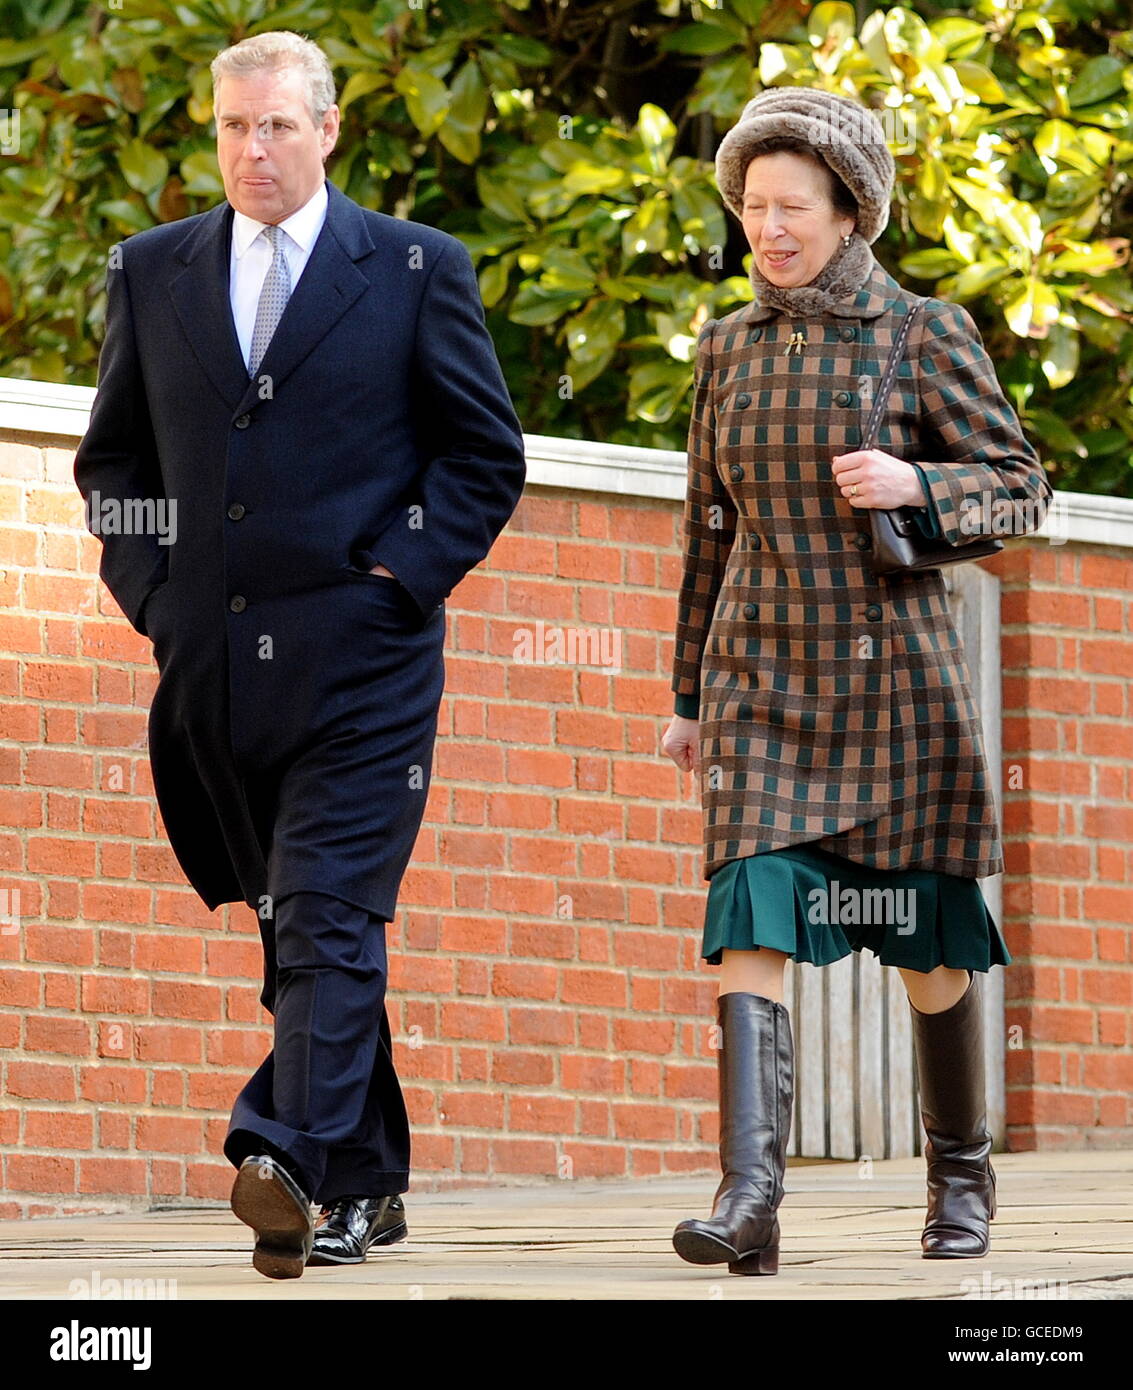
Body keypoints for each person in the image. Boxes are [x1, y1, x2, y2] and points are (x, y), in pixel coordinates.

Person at [74, 31, 526, 1279]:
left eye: (275, 126)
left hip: (366, 661)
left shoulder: (417, 268)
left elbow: (483, 456)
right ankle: (363, 1181)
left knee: (327, 911)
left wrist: (397, 574)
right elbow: (115, 467)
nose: (251, 150)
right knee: (299, 937)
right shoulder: (151, 271)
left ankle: (281, 1156)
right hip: (213, 670)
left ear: (328, 130)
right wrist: (154, 594)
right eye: (231, 127)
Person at [661, 87, 1052, 1276]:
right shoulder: (726, 346)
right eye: (751, 208)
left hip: (897, 692)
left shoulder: (920, 331)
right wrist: (685, 698)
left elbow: (1021, 490)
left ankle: (959, 1175)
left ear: (848, 213)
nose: (766, 230)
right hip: (758, 683)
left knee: (929, 946)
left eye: (791, 207)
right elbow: (705, 530)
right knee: (749, 909)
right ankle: (749, 1195)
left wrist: (915, 486)